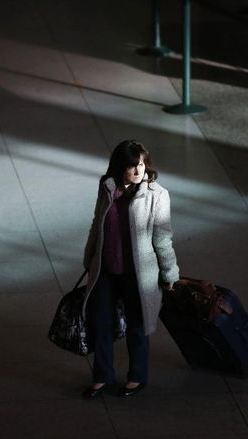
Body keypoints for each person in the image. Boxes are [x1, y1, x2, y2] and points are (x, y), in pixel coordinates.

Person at [81, 139, 179, 399]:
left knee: (138, 325)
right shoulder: (108, 188)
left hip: (138, 273)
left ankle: (137, 376)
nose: (138, 171)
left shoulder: (157, 195)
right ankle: (102, 376)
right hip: (105, 269)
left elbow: (162, 238)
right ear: (118, 168)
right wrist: (89, 257)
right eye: (131, 166)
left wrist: (170, 274)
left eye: (141, 165)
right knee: (101, 322)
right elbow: (96, 223)